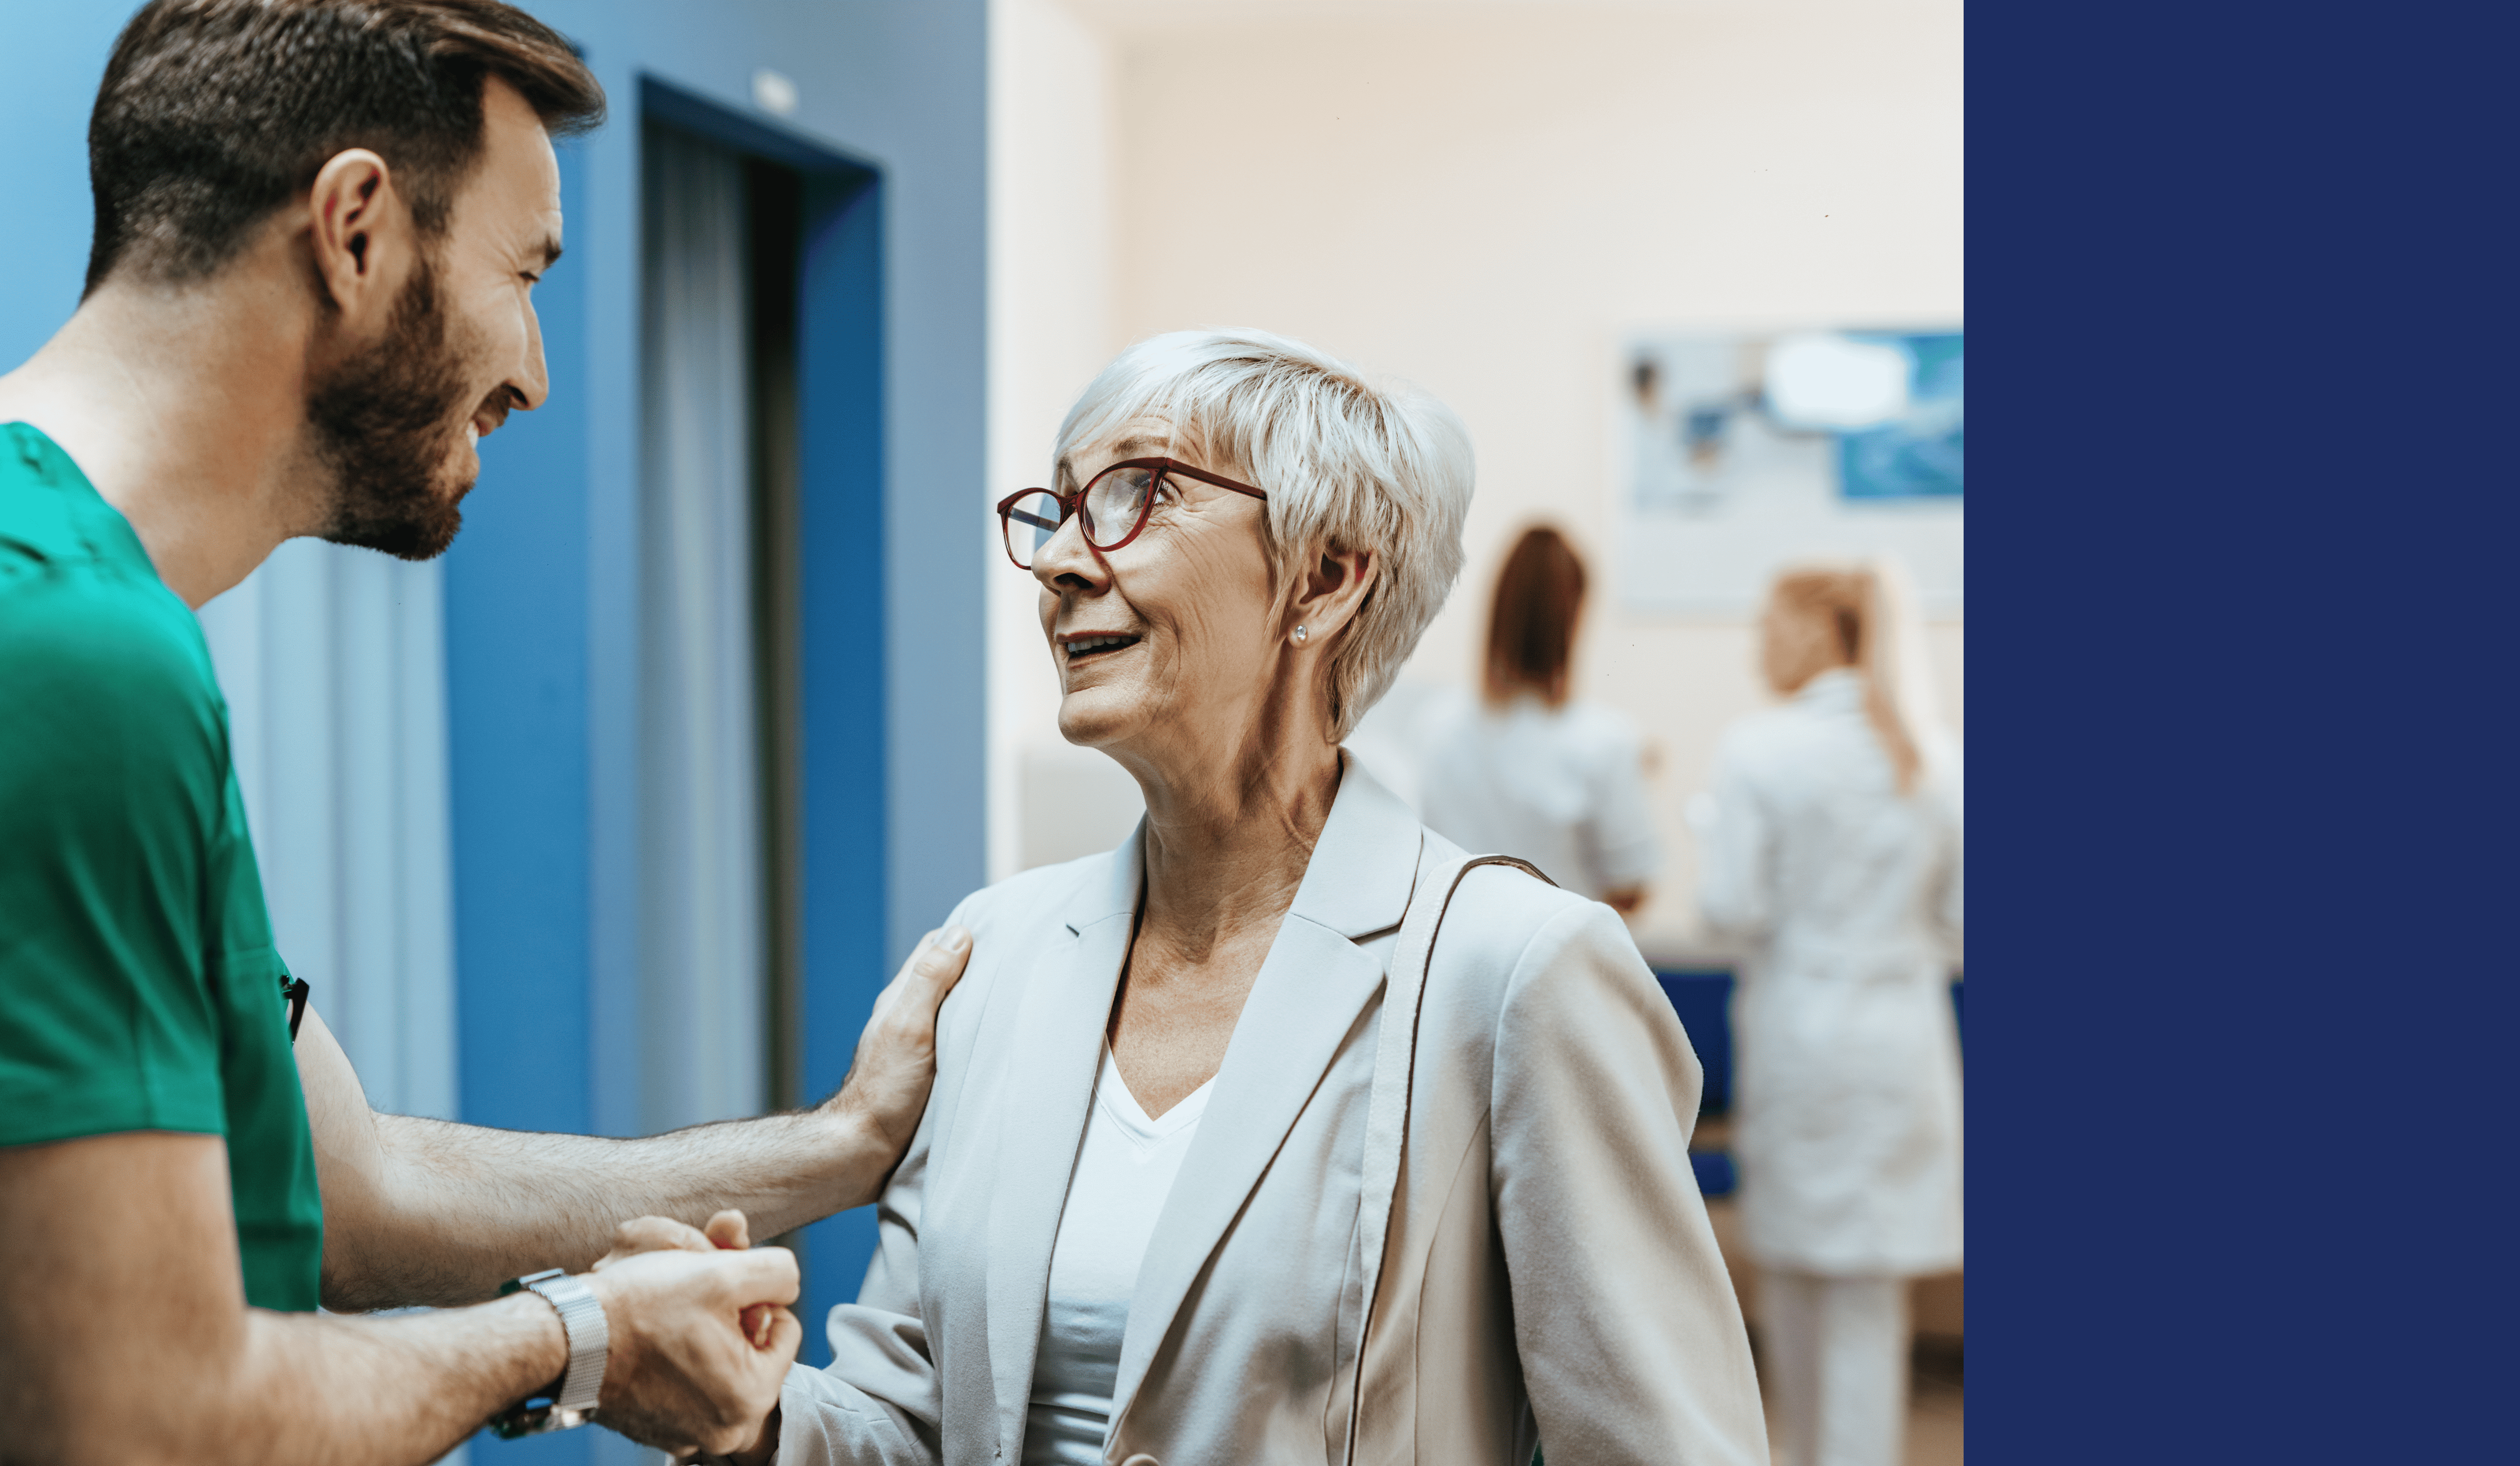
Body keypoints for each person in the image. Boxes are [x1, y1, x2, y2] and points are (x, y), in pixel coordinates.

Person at [0, 5, 973, 1463]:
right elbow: (145, 1425)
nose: (534, 369)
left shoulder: (21, 595)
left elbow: (356, 1188)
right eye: (524, 274)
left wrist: (835, 1149)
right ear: (358, 229)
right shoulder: (33, 654)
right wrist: (580, 1335)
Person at [695, 329, 1766, 1466]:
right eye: (1055, 510)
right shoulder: (990, 954)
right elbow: (907, 1422)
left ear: (1324, 576)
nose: (1059, 558)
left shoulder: (1513, 972)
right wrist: (749, 1420)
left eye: (1133, 492)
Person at [1692, 559, 1964, 1466]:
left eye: (1767, 624)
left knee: (1805, 1292)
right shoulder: (1935, 758)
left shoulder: (1758, 750)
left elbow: (1732, 909)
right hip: (1899, 1044)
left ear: (1815, 631)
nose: (1756, 645)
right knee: (1861, 1301)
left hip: (1802, 1039)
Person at [1418, 524, 1663, 913]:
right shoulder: (1603, 741)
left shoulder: (1437, 727)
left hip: (1454, 958)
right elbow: (1630, 887)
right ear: (1573, 617)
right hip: (1558, 959)